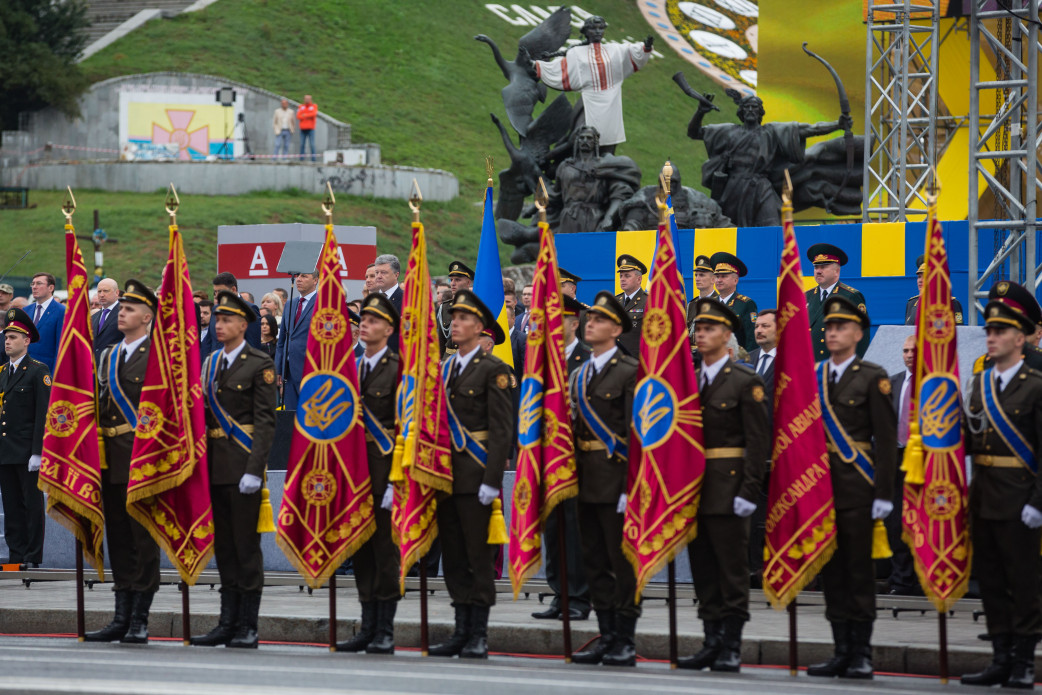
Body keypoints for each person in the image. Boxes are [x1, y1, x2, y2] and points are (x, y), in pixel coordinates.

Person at [807, 296, 896, 681]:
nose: (831, 333)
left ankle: (861, 652)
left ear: (858, 334)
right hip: (820, 489)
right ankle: (840, 648)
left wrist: (883, 494)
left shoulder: (871, 377)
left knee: (858, 574)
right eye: (828, 327)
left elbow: (886, 440)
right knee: (833, 575)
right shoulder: (813, 376)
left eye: (840, 327)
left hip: (858, 490)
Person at [678, 298, 767, 672]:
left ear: (728, 335)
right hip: (693, 491)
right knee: (704, 571)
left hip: (730, 491)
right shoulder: (684, 381)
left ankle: (731, 643)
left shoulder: (745, 380)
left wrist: (749, 491)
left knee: (731, 571)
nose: (701, 335)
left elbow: (758, 442)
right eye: (698, 329)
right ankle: (710, 640)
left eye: (709, 329)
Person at [960, 284, 1042, 688]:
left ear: (1020, 337)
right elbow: (970, 439)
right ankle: (1001, 657)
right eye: (988, 331)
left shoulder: (1035, 384)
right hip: (985, 498)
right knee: (990, 582)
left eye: (1000, 331)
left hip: (1021, 498)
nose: (990, 337)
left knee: (1023, 583)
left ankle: (1025, 660)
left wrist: (1038, 502)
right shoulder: (979, 384)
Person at [429, 290, 514, 660]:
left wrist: (491, 481)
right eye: (453, 318)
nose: (455, 323)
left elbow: (501, 431)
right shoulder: (445, 368)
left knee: (478, 556)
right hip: (445, 476)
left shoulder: (493, 370)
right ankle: (460, 628)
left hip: (476, 474)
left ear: (479, 328)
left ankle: (478, 631)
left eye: (463, 319)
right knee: (454, 555)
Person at [191, 292, 277, 649]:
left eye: (227, 320)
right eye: (217, 320)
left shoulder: (259, 364)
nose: (219, 325)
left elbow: (265, 422)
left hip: (243, 469)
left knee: (246, 548)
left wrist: (254, 470)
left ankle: (247, 624)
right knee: (223, 548)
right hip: (214, 469)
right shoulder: (209, 363)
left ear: (244, 325)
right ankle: (226, 622)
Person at [86, 280, 161, 643]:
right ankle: (121, 613)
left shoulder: (160, 356)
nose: (122, 314)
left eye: (129, 309)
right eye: (122, 308)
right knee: (117, 535)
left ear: (147, 316)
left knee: (142, 538)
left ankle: (140, 618)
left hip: (143, 460)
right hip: (111, 460)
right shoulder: (108, 355)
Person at [569, 291, 639, 666]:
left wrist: (631, 485)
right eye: (588, 319)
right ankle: (607, 634)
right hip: (584, 480)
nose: (588, 324)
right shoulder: (580, 374)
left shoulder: (630, 371)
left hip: (615, 481)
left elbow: (637, 433)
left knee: (620, 562)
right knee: (594, 562)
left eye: (597, 320)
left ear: (615, 329)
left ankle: (625, 638)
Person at [336, 294, 402, 654]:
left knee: (384, 552)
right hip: (353, 475)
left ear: (389, 329)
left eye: (374, 321)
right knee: (360, 550)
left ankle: (385, 628)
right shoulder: (349, 367)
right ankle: (366, 623)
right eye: (363, 319)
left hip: (383, 474)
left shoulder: (399, 368)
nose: (365, 324)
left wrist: (397, 479)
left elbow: (406, 428)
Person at [688, 91, 852, 226]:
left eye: (755, 107)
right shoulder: (728, 131)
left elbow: (810, 129)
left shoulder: (771, 132)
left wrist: (837, 124)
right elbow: (694, 132)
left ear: (760, 112)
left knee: (773, 226)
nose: (751, 110)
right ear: (741, 111)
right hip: (734, 188)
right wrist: (700, 111)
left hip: (761, 187)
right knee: (731, 229)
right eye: (747, 108)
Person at [533, 294, 591, 622]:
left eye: (559, 321)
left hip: (578, 461)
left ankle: (579, 598)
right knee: (553, 530)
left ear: (573, 323)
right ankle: (559, 594)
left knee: (574, 530)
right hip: (546, 459)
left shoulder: (587, 359)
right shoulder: (540, 361)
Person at [531, 16, 653, 152]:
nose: (598, 31)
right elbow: (563, 67)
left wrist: (645, 48)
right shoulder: (576, 52)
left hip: (611, 105)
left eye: (601, 28)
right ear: (586, 31)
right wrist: (538, 66)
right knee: (576, 137)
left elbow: (629, 51)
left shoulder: (614, 50)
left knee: (608, 141)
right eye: (594, 28)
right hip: (589, 103)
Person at [0, 308, 50, 567]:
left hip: (27, 452)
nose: (7, 341)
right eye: (6, 336)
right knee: (11, 508)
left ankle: (32, 557)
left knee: (31, 506)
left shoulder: (37, 371)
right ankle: (15, 556)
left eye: (13, 337)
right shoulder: (2, 372)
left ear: (26, 340)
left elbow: (43, 414)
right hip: (6, 451)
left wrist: (38, 451)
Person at [746, 308, 776, 587]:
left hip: (776, 448)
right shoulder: (748, 360)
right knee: (752, 514)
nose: (759, 330)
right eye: (757, 326)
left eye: (766, 326)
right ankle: (753, 568)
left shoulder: (791, 363)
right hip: (750, 450)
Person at [885, 334, 918, 597]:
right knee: (896, 523)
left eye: (913, 350)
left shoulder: (936, 384)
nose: (908, 354)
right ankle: (900, 580)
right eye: (905, 350)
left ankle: (924, 579)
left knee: (923, 523)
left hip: (925, 462)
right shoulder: (893, 383)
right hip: (896, 460)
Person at [805, 244, 868, 361]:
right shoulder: (806, 297)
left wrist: (854, 366)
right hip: (810, 366)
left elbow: (861, 335)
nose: (818, 271)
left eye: (823, 267)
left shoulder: (850, 296)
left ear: (837, 271)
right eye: (816, 267)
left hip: (837, 365)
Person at [274, 271, 318, 409]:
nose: (298, 279)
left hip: (311, 371)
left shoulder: (323, 303)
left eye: (304, 276)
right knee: (290, 419)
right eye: (297, 276)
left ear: (315, 280)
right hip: (289, 372)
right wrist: (279, 369)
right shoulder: (290, 304)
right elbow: (282, 341)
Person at [199, 273, 261, 356]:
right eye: (215, 292)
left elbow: (253, 346)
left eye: (220, 291)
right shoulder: (215, 309)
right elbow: (209, 341)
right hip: (215, 364)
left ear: (233, 289)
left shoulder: (249, 309)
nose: (217, 295)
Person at [709, 252, 757, 353]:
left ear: (735, 280)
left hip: (737, 360)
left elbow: (751, 339)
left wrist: (748, 362)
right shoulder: (710, 304)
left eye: (724, 276)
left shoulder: (746, 304)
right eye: (717, 276)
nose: (719, 280)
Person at [904, 254, 964, 325]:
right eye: (919, 277)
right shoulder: (911, 303)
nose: (920, 280)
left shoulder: (951, 303)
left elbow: (959, 331)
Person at [26, 272, 65, 371]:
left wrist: (55, 375)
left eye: (39, 283)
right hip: (24, 369)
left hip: (46, 370)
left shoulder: (61, 311)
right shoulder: (26, 310)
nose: (34, 287)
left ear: (51, 288)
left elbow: (60, 346)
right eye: (33, 284)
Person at [436, 261, 473, 357]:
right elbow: (441, 340)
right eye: (451, 280)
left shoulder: (475, 307)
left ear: (468, 282)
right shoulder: (444, 307)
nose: (452, 283)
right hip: (447, 358)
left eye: (457, 280)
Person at [614, 255, 647, 358]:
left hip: (637, 362)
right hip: (616, 362)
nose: (622, 279)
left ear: (639, 279)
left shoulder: (649, 302)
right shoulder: (615, 301)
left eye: (627, 276)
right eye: (621, 276)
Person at [373, 254, 402, 350]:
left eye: (383, 273)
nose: (379, 276)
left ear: (396, 275)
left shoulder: (406, 300)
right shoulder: (372, 300)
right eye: (377, 273)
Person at [92, 278, 124, 364]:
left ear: (117, 293)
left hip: (115, 367)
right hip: (96, 369)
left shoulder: (124, 313)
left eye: (106, 291)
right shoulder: (94, 317)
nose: (102, 295)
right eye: (99, 291)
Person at [297, 94, 318, 162]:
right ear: (304, 99)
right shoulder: (301, 106)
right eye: (306, 99)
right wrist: (308, 115)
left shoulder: (314, 106)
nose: (307, 100)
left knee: (312, 144)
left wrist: (304, 115)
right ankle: (301, 159)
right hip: (302, 129)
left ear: (311, 99)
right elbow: (298, 116)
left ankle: (313, 159)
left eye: (308, 99)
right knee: (301, 144)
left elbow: (313, 114)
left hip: (311, 129)